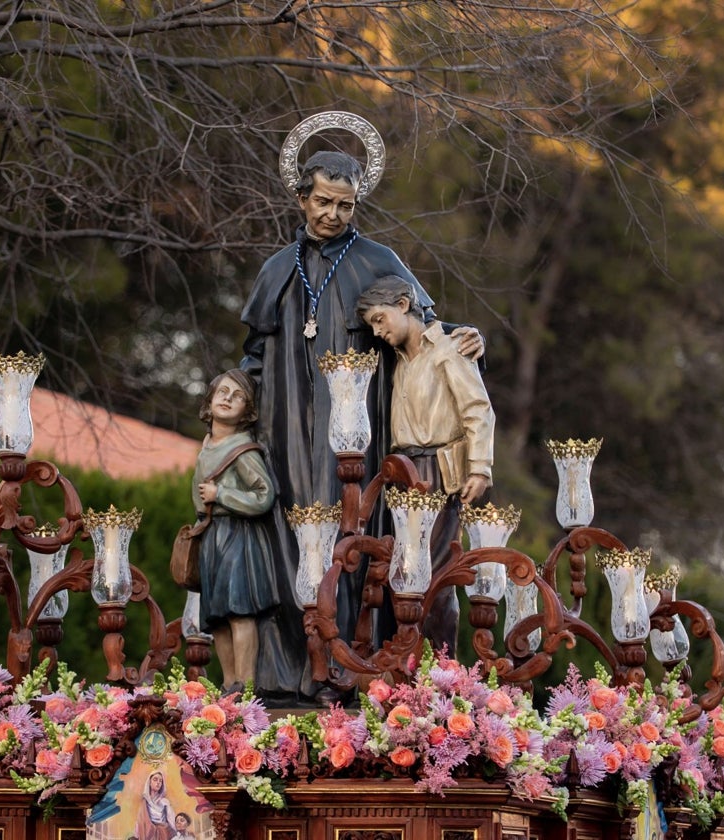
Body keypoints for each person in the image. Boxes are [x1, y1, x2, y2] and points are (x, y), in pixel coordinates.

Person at [240, 149, 484, 700]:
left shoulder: (379, 260)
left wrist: (470, 338)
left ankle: (351, 666)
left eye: (346, 206)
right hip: (285, 426)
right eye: (324, 201)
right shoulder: (278, 268)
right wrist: (231, 415)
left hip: (358, 430)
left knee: (350, 534)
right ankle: (289, 674)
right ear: (301, 197)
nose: (333, 214)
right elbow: (254, 354)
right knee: (287, 529)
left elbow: (425, 326)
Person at [357, 277, 494, 652]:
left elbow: (477, 410)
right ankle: (411, 656)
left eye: (380, 319)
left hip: (436, 471)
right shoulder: (399, 361)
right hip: (403, 474)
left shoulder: (449, 350)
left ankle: (440, 664)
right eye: (372, 325)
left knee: (433, 571)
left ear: (404, 304)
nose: (377, 330)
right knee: (405, 572)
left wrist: (480, 467)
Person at [193, 369, 279, 693]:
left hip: (237, 536)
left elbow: (264, 495)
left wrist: (222, 495)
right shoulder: (207, 445)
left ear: (248, 411)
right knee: (217, 618)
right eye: (222, 392)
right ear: (210, 400)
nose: (228, 398)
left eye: (238, 395)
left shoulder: (243, 449)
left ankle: (246, 684)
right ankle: (228, 683)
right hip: (212, 536)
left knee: (239, 612)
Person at [136, 771, 176, 840]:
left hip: (163, 834)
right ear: (149, 782)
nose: (158, 783)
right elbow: (139, 822)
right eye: (155, 779)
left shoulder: (165, 802)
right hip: (148, 835)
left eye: (160, 781)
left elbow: (172, 820)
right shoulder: (145, 802)